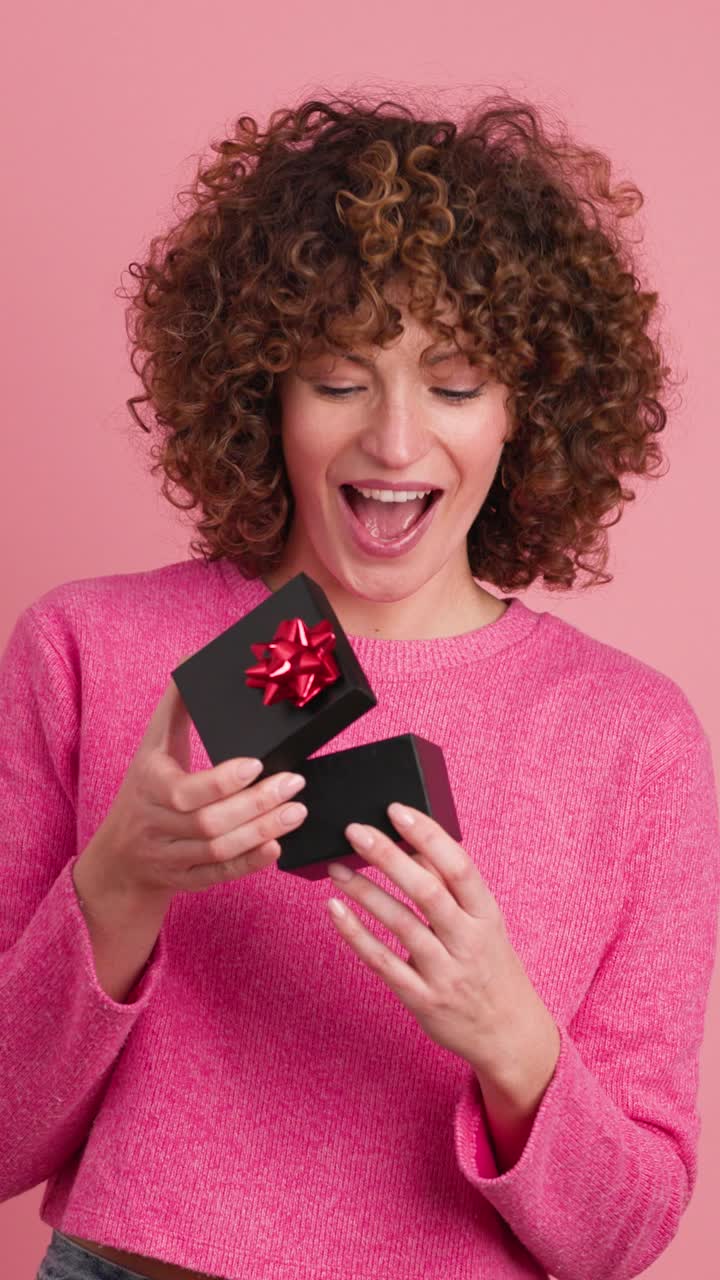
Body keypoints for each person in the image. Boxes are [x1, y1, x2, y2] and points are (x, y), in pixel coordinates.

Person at [2, 90, 718, 1280]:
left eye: (453, 383)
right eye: (339, 379)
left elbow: (621, 1240)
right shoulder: (89, 644)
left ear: (526, 412)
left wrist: (510, 1034)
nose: (394, 443)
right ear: (261, 393)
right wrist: (120, 881)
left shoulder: (633, 735)